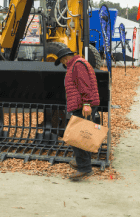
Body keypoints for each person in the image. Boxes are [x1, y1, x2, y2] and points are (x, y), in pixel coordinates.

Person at [48, 42, 100, 181]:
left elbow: (84, 85)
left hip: (82, 105)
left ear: (66, 58)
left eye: (63, 61)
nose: (64, 64)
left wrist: (87, 103)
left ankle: (84, 168)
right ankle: (83, 163)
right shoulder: (77, 64)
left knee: (77, 138)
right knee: (82, 136)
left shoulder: (77, 65)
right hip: (81, 104)